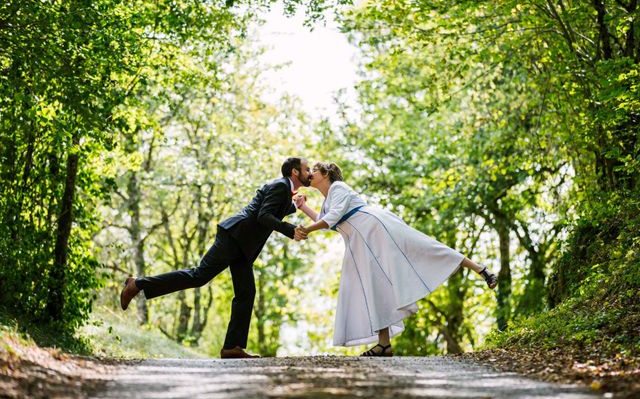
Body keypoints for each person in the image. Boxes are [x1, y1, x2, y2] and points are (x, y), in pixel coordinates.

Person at [295, 162, 498, 357]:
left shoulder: (338, 187)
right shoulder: (328, 198)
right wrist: (303, 207)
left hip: (376, 228)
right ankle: (384, 344)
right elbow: (326, 220)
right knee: (375, 286)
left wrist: (307, 230)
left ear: (326, 174)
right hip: (361, 241)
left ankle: (481, 269)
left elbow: (333, 217)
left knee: (423, 247)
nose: (311, 173)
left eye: (314, 169)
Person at [119, 157, 312, 359]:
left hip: (243, 244)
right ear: (295, 172)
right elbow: (263, 216)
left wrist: (294, 206)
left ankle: (232, 347)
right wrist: (291, 230)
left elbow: (270, 210)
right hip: (235, 237)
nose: (310, 173)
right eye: (307, 169)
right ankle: (137, 284)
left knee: (246, 292)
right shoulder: (280, 186)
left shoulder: (283, 188)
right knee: (199, 276)